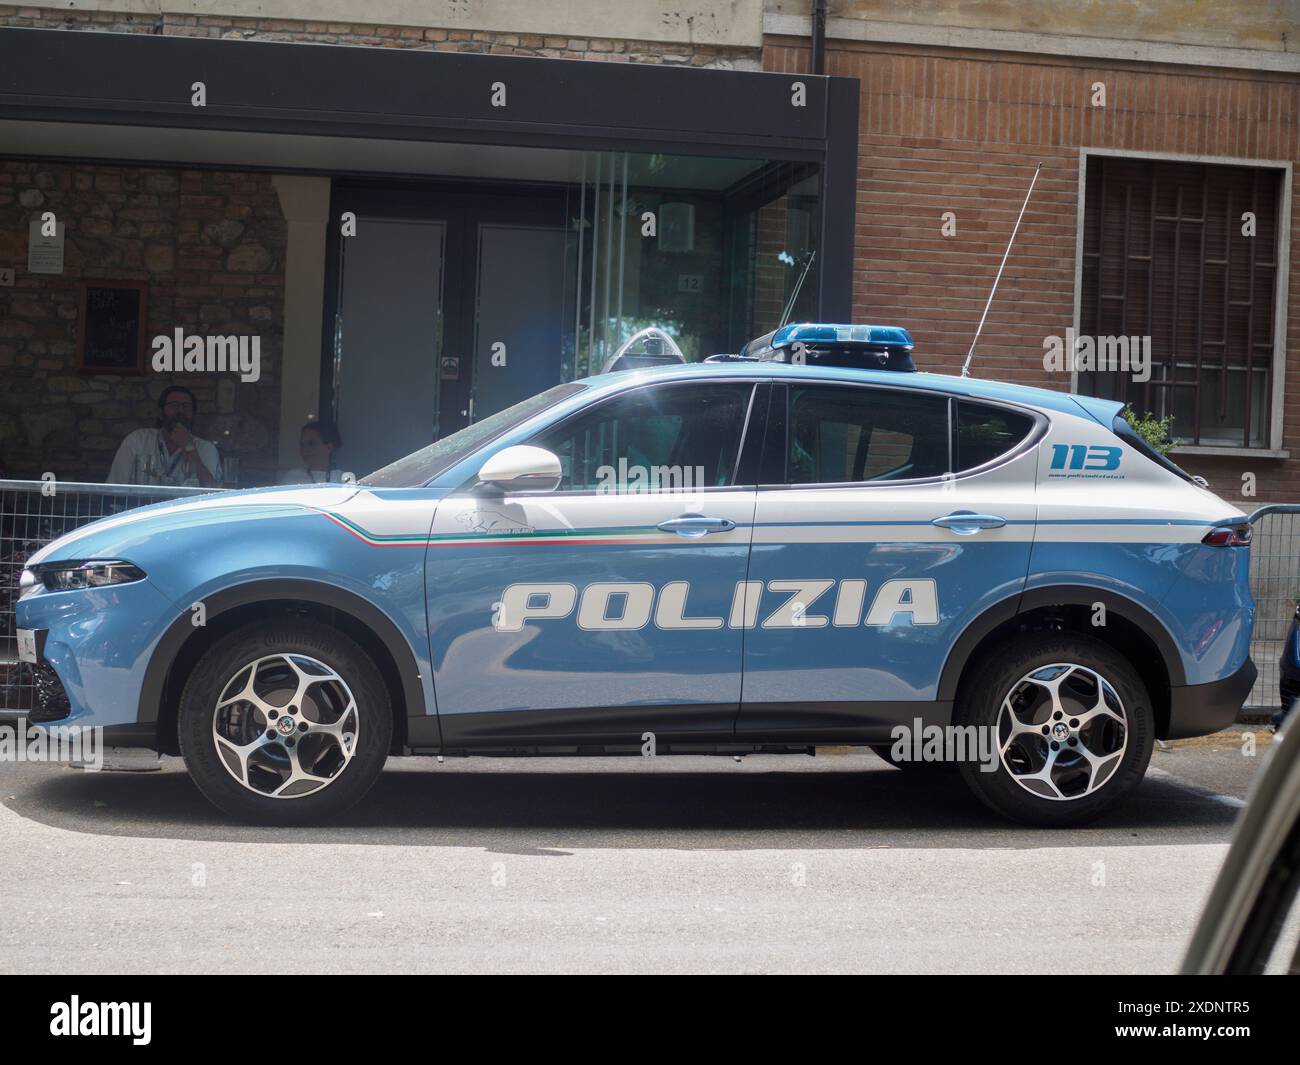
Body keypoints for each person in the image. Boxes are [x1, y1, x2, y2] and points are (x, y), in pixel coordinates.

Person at [108, 385, 222, 487]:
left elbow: (210, 491)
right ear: (160, 413)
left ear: (193, 414)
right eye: (174, 406)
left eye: (186, 406)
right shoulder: (137, 441)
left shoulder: (206, 449)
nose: (180, 410)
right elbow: (114, 487)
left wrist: (190, 449)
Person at [277, 421, 346, 484]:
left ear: (329, 447)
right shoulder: (292, 477)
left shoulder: (342, 478)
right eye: (302, 445)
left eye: (311, 444)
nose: (305, 449)